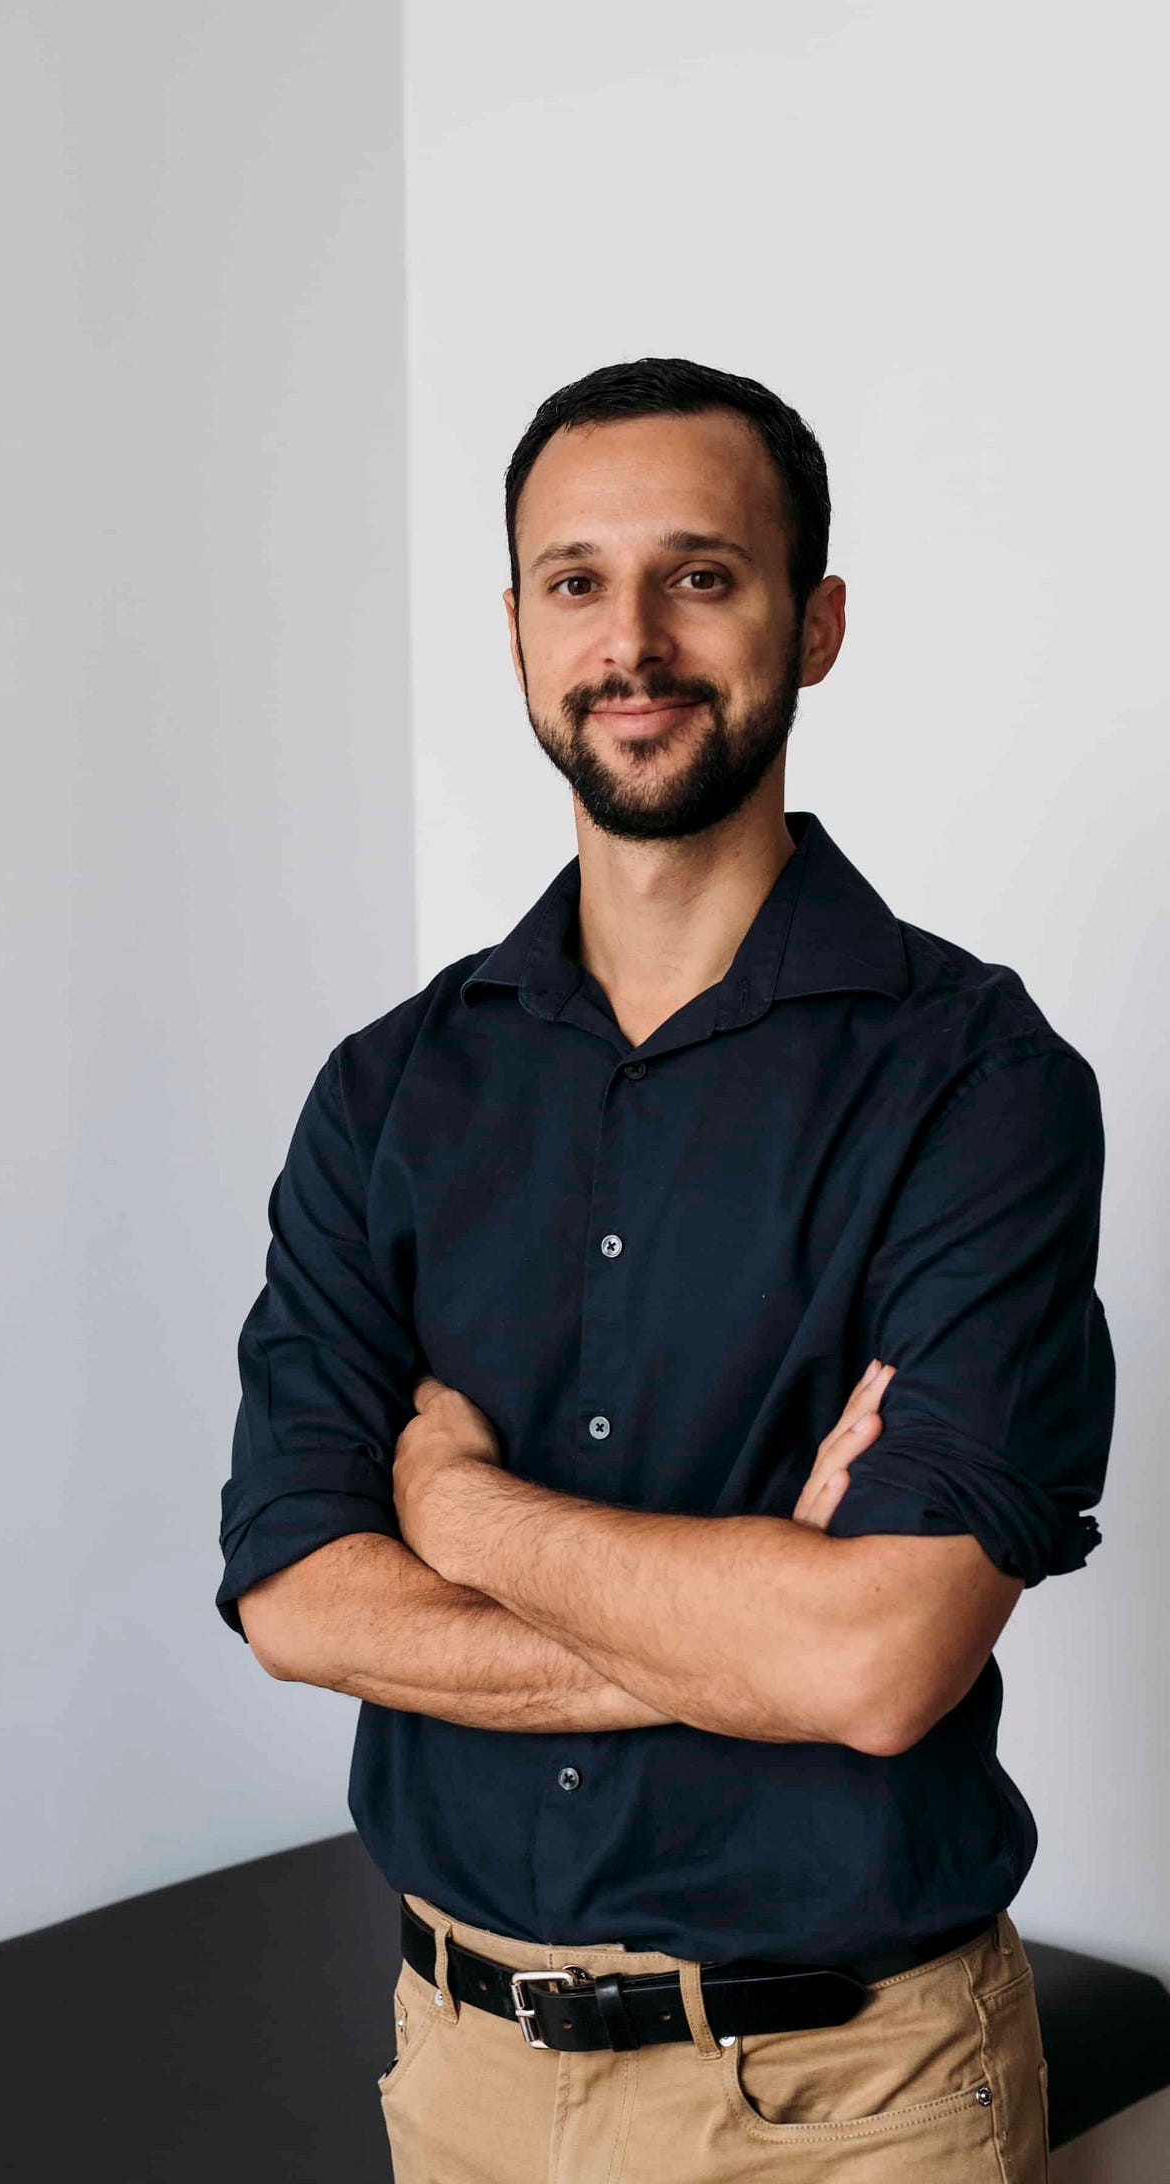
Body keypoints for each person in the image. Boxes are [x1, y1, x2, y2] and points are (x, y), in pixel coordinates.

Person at [214, 356, 1114, 2181]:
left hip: (847, 2108)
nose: (633, 638)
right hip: (459, 2074)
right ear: (520, 630)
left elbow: (878, 1667)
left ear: (818, 620)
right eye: (576, 580)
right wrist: (755, 1621)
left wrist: (462, 1517)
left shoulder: (982, 1081)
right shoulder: (389, 1091)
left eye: (701, 575)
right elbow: (300, 1600)